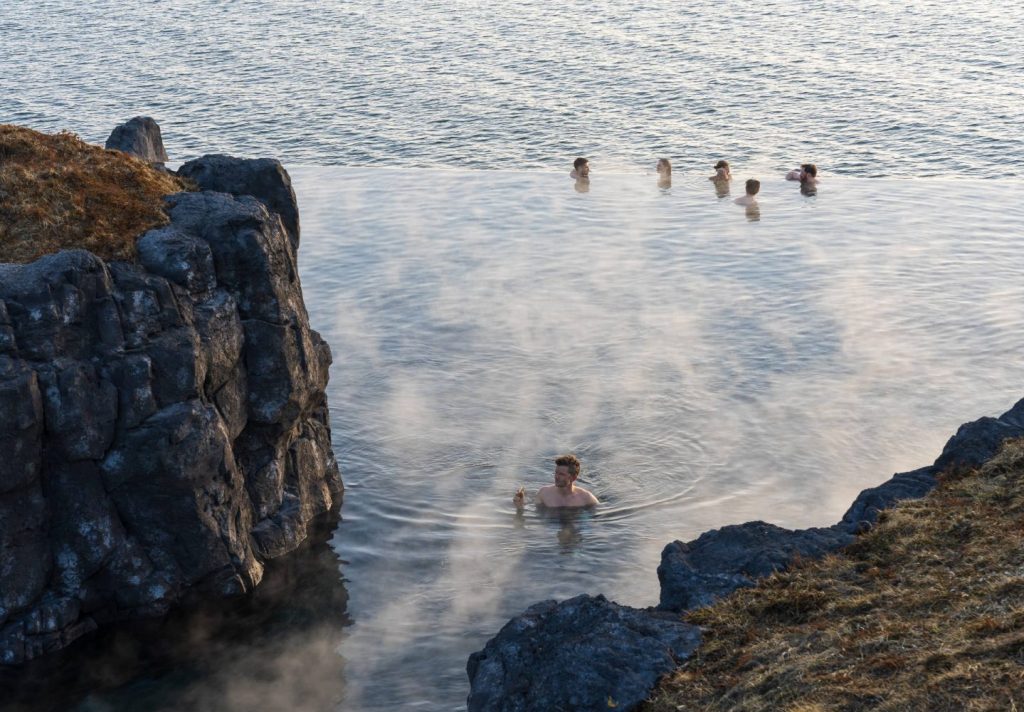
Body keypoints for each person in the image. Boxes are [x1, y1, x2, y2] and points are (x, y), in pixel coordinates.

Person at [513, 454, 599, 509]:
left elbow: (599, 519)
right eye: (556, 473)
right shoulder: (544, 494)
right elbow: (535, 516)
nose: (556, 477)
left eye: (561, 474)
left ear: (573, 478)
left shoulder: (586, 497)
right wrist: (520, 507)